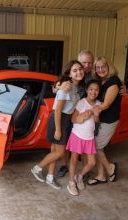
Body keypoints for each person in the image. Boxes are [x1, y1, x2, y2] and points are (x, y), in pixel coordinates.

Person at [31, 60, 84, 189]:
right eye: (75, 70)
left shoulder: (75, 88)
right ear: (70, 74)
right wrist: (58, 129)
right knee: (60, 153)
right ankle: (37, 168)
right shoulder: (66, 87)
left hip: (65, 121)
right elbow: (58, 110)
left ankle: (50, 177)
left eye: (80, 69)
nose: (79, 72)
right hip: (58, 120)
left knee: (54, 151)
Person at [56, 50, 95, 178]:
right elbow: (55, 87)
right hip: (70, 116)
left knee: (84, 144)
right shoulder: (74, 74)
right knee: (67, 143)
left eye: (90, 62)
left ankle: (84, 171)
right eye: (84, 62)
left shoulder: (94, 77)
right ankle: (64, 165)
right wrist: (58, 87)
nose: (87, 65)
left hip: (86, 117)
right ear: (79, 62)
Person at [87, 56, 121, 185]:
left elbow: (106, 104)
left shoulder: (113, 81)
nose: (100, 69)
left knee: (95, 147)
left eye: (103, 67)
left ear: (109, 67)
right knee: (98, 147)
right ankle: (101, 175)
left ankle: (110, 168)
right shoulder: (101, 81)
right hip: (101, 119)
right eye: (98, 67)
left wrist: (89, 110)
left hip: (109, 120)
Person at [66, 80, 101, 195]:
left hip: (89, 137)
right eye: (91, 89)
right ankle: (71, 182)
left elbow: (96, 121)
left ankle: (79, 176)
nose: (93, 92)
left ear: (99, 92)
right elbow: (73, 118)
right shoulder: (82, 102)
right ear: (87, 90)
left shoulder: (99, 103)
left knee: (92, 162)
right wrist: (82, 117)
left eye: (96, 90)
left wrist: (95, 115)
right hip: (77, 135)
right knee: (74, 160)